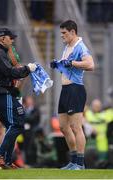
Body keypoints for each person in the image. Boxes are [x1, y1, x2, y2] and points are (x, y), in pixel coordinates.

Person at [0, 28, 37, 169]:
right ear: (2, 39)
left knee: (12, 126)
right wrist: (28, 68)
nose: (12, 40)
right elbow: (11, 72)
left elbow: (8, 74)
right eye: (10, 38)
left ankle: (7, 161)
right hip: (2, 95)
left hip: (2, 94)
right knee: (17, 125)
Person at [50, 20, 95, 170]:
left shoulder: (80, 46)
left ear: (73, 32)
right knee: (63, 127)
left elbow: (90, 65)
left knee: (76, 127)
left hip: (76, 89)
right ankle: (73, 161)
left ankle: (80, 163)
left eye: (64, 33)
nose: (62, 36)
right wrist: (59, 64)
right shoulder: (67, 47)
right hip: (65, 90)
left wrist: (73, 63)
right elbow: (68, 66)